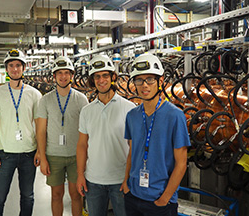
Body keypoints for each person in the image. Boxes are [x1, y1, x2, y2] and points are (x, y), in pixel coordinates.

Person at [121, 53, 191, 216]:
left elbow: (181, 163)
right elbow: (132, 152)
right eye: (139, 80)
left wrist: (165, 198)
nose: (144, 85)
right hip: (133, 196)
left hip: (160, 201)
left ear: (160, 81)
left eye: (150, 79)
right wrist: (126, 184)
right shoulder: (132, 115)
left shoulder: (175, 116)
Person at [76, 54, 135, 216]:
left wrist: (129, 177)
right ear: (92, 80)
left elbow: (133, 147)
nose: (101, 80)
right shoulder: (87, 111)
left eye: (105, 76)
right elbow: (82, 145)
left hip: (121, 180)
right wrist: (80, 175)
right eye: (97, 77)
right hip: (93, 181)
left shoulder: (129, 108)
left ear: (113, 77)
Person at [0, 49, 42, 216]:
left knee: (27, 197)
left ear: (24, 68)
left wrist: (40, 150)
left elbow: (39, 126)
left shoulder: (34, 94)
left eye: (18, 65)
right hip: (5, 154)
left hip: (28, 154)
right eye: (11, 65)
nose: (15, 69)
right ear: (7, 69)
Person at [36, 56, 88, 216]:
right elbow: (41, 131)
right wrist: (43, 157)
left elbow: (87, 131)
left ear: (72, 75)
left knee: (76, 195)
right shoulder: (45, 100)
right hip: (54, 156)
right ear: (54, 76)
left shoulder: (81, 99)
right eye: (60, 73)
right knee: (56, 195)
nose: (63, 76)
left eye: (67, 73)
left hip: (75, 156)